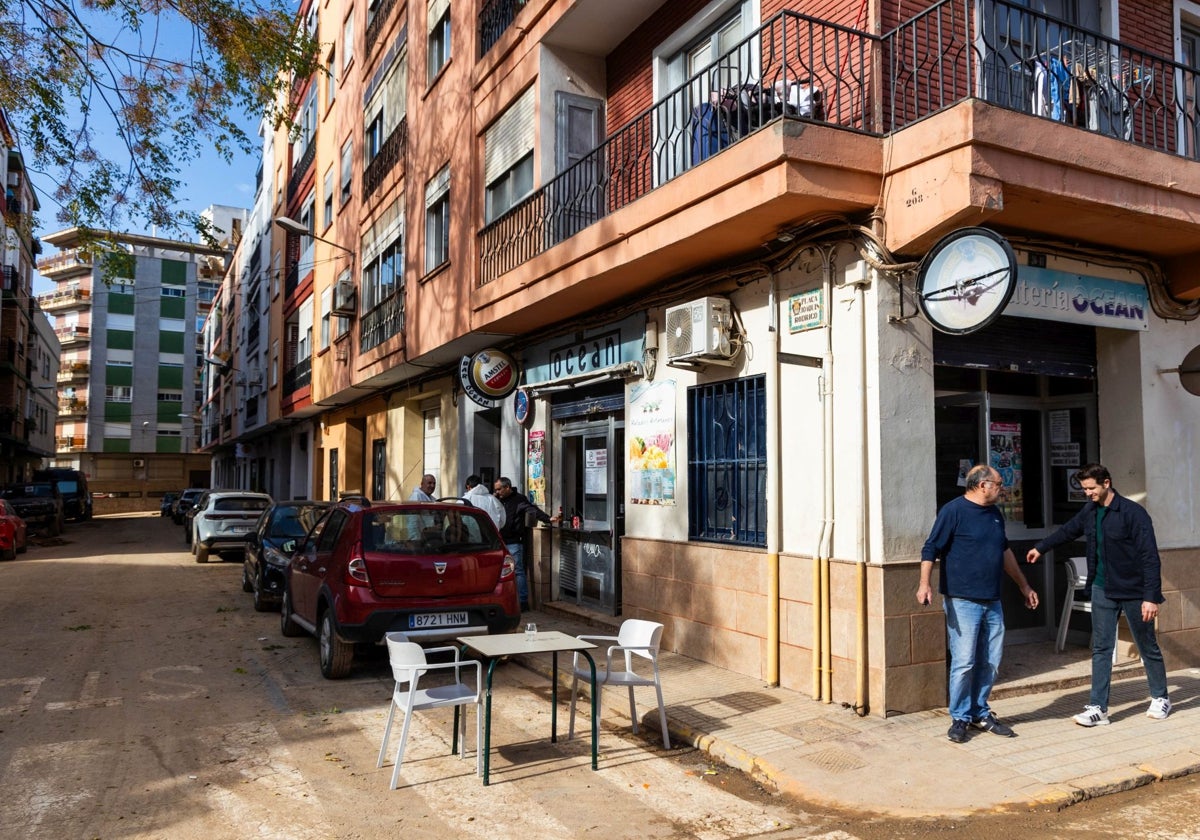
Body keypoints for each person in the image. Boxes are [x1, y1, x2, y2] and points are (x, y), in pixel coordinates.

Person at [1026, 463, 1169, 726]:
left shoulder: (1133, 514)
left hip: (1134, 592)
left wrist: (1151, 596)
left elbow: (1150, 556)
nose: (1087, 493)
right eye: (1084, 489)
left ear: (1106, 483)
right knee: (1101, 648)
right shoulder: (1090, 511)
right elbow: (1068, 531)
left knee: (1146, 645)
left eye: (1091, 488)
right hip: (1102, 588)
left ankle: (1160, 697)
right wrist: (1041, 547)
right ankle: (1098, 708)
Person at [917, 464, 1039, 743]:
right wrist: (924, 584)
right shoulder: (954, 511)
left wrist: (1024, 585)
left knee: (991, 661)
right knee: (964, 662)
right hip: (962, 599)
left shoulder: (995, 515)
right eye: (998, 483)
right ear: (982, 485)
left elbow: (1004, 550)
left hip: (992, 599)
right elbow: (931, 548)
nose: (1002, 488)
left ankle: (979, 712)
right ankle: (959, 717)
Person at [493, 476, 558, 610]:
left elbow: (533, 510)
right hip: (498, 541)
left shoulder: (518, 500)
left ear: (507, 487)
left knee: (517, 571)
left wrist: (548, 519)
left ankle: (523, 602)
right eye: (496, 490)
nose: (497, 492)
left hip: (513, 541)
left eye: (499, 489)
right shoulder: (495, 500)